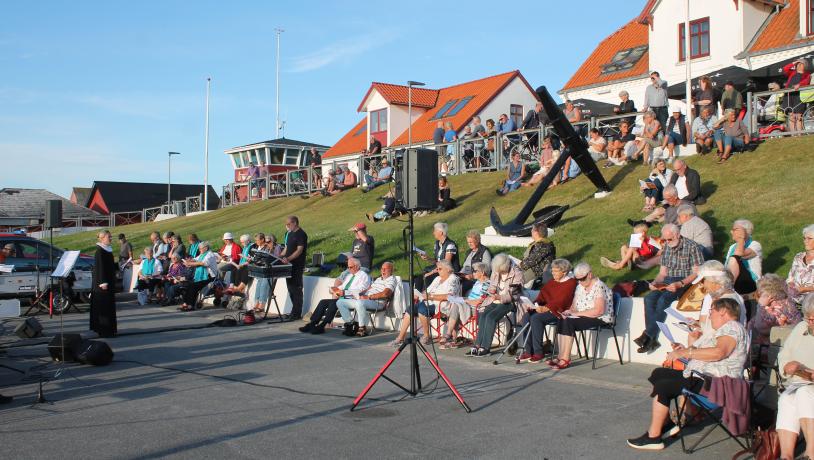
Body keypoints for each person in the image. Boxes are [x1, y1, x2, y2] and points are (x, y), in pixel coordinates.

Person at [627, 297, 748, 451]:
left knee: (664, 386)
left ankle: (654, 437)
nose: (709, 316)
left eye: (712, 311)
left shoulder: (732, 328)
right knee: (659, 374)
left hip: (717, 385)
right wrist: (683, 350)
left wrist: (687, 351)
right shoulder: (723, 330)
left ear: (723, 311)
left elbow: (719, 352)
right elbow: (705, 353)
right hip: (704, 378)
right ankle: (667, 424)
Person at [636, 224, 704, 353]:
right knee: (649, 298)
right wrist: (655, 283)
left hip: (685, 281)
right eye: (665, 240)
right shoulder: (667, 246)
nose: (667, 242)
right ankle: (651, 339)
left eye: (669, 239)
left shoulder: (692, 246)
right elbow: (663, 273)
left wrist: (680, 284)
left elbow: (696, 273)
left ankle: (648, 336)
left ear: (677, 235)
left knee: (663, 300)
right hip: (668, 280)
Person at [548, 262, 614, 369]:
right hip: (584, 316)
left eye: (582, 279)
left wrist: (576, 313)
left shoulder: (599, 286)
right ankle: (560, 355)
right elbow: (574, 307)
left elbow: (599, 311)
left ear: (589, 275)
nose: (580, 282)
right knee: (563, 318)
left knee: (569, 321)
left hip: (600, 318)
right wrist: (568, 312)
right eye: (577, 279)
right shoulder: (580, 287)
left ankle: (566, 358)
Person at [776, 294, 814, 460]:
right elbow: (785, 353)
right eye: (808, 317)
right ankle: (786, 456)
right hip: (799, 382)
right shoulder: (801, 328)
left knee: (803, 394)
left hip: (809, 387)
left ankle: (811, 453)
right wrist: (787, 365)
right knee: (786, 397)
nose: (810, 322)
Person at [518, 258, 577, 363]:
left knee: (536, 318)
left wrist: (547, 307)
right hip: (546, 308)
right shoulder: (552, 282)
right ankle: (528, 351)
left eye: (555, 271)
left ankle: (538, 352)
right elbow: (542, 296)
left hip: (559, 311)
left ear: (564, 272)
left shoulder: (571, 283)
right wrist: (534, 304)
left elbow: (563, 300)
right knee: (527, 316)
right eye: (552, 270)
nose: (552, 273)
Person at [391, 260, 460, 347]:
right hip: (428, 302)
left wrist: (431, 297)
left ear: (448, 269)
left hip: (441, 306)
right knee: (410, 309)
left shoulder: (453, 279)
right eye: (437, 269)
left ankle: (427, 336)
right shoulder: (437, 279)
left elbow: (449, 296)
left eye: (440, 269)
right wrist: (420, 295)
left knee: (422, 309)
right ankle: (400, 338)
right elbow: (427, 291)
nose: (438, 271)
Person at [468, 254, 524, 357]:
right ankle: (477, 345)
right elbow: (492, 285)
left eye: (500, 270)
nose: (498, 272)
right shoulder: (496, 270)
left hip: (510, 302)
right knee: (483, 314)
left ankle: (486, 348)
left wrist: (500, 297)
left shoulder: (517, 273)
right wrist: (491, 290)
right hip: (495, 299)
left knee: (491, 317)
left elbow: (515, 295)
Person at [300, 256, 370, 334]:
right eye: (348, 267)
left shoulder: (363, 276)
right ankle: (312, 323)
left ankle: (323, 325)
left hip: (353, 299)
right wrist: (334, 289)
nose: (349, 269)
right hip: (344, 297)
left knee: (334, 303)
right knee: (323, 302)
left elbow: (361, 290)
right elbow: (342, 287)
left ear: (357, 266)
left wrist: (344, 293)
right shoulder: (350, 276)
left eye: (350, 267)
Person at [336, 261, 397, 337]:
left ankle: (362, 327)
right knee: (340, 302)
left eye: (385, 269)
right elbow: (369, 288)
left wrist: (368, 297)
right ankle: (350, 324)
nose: (383, 270)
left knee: (360, 303)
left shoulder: (392, 280)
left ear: (391, 270)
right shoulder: (379, 279)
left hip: (378, 302)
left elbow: (385, 294)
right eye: (382, 269)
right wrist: (359, 294)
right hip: (365, 299)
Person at [440, 262, 491, 349]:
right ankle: (452, 338)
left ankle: (450, 336)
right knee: (456, 304)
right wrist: (463, 299)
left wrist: (465, 300)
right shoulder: (477, 283)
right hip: (468, 306)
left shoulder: (487, 284)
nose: (472, 273)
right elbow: (471, 299)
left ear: (482, 272)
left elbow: (480, 301)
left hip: (477, 309)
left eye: (475, 271)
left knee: (456, 306)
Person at [749, 273, 801, 347]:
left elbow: (761, 329)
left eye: (761, 292)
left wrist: (761, 306)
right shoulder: (788, 300)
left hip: (774, 344)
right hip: (792, 337)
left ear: (771, 295)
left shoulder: (775, 308)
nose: (759, 294)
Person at [415, 222, 460, 291]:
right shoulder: (437, 244)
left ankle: (427, 297)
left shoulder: (450, 245)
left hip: (448, 271)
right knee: (418, 278)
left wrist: (431, 272)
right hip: (439, 269)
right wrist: (428, 258)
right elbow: (437, 261)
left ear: (441, 232)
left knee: (427, 278)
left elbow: (445, 264)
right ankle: (419, 297)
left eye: (435, 231)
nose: (433, 233)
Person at [90, 230, 117, 338]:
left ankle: (110, 329)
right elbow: (100, 268)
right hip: (103, 284)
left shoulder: (107, 250)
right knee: (104, 307)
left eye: (110, 236)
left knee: (109, 306)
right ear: (102, 238)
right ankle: (104, 330)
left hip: (109, 281)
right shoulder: (100, 251)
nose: (110, 238)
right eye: (108, 237)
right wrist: (103, 282)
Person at [725, 219, 762, 297]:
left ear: (745, 231)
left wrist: (741, 238)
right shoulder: (732, 247)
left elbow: (738, 255)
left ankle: (727, 287)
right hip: (734, 279)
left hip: (749, 281)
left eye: (734, 230)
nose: (731, 232)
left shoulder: (755, 245)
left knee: (734, 260)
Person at [281, 215, 307, 320]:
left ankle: (296, 313)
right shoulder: (290, 233)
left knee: (297, 289)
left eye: (288, 224)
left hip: (297, 265)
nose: (287, 226)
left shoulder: (301, 234)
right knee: (290, 288)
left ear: (295, 223)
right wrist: (280, 257)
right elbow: (286, 248)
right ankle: (293, 311)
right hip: (288, 265)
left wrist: (289, 258)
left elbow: (299, 250)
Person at [180, 240, 218, 311]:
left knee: (193, 286)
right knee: (187, 285)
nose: (199, 250)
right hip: (201, 277)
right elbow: (195, 259)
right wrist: (188, 261)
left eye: (200, 248)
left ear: (206, 248)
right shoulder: (202, 254)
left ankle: (191, 305)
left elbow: (204, 263)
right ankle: (186, 303)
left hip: (209, 277)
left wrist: (190, 264)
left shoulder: (210, 254)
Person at [519, 221, 556, 287]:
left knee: (516, 280)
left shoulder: (544, 245)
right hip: (531, 268)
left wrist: (519, 266)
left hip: (537, 272)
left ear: (536, 233)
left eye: (532, 230)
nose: (531, 232)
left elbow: (532, 260)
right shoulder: (537, 243)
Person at [787, 224, 814, 305]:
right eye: (804, 238)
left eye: (809, 238)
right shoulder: (798, 256)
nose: (805, 241)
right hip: (793, 298)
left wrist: (804, 289)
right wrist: (790, 286)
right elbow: (790, 277)